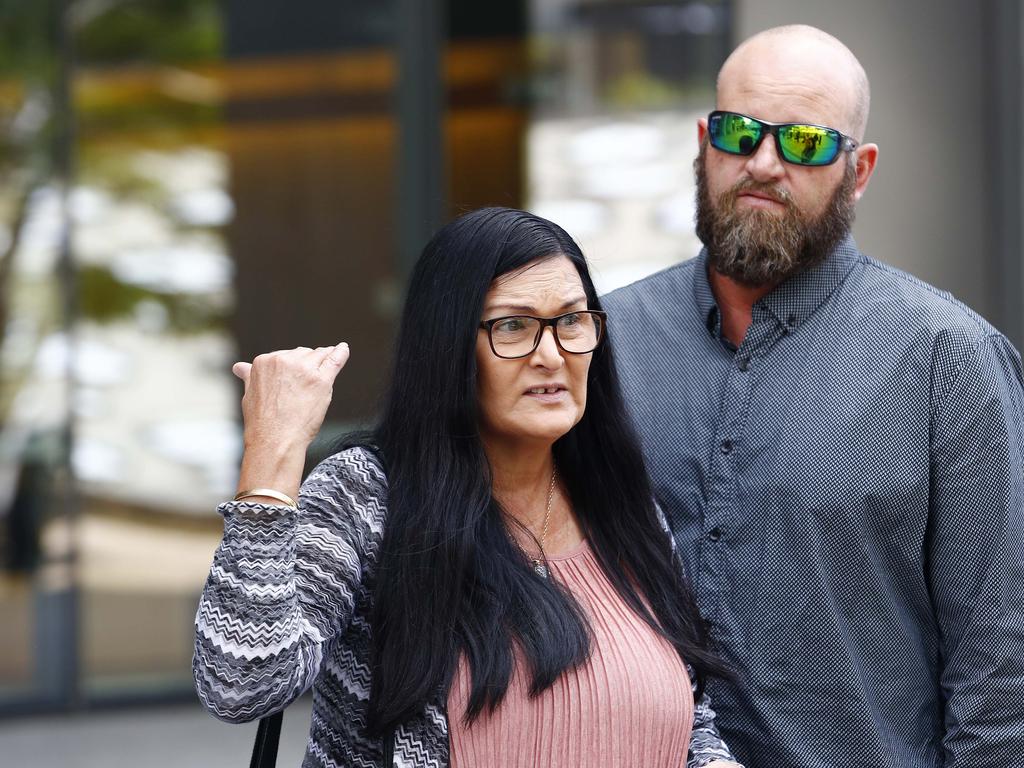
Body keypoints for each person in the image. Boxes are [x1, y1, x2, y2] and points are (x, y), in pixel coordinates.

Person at [602, 24, 1024, 768]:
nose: (763, 163)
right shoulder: (608, 342)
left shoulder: (948, 361)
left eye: (803, 143)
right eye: (738, 133)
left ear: (857, 170)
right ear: (704, 141)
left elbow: (999, 664)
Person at [193, 207, 743, 767]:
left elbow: (689, 726)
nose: (551, 355)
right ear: (450, 345)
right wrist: (270, 457)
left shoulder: (619, 501)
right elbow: (242, 681)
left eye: (572, 321)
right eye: (513, 326)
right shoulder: (368, 497)